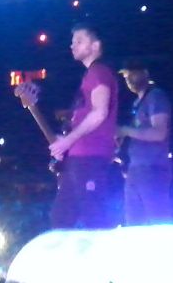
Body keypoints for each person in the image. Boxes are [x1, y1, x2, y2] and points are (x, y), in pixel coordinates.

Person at [48, 22, 119, 229]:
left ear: (95, 46)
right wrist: (67, 142)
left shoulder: (99, 72)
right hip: (80, 156)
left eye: (79, 41)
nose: (73, 45)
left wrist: (68, 141)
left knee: (93, 216)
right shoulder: (91, 75)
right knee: (61, 217)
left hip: (91, 155)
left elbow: (100, 112)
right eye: (72, 42)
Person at [116, 59, 172, 225]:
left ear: (145, 73)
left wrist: (126, 131)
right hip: (135, 168)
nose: (128, 79)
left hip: (152, 167)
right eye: (125, 77)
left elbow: (160, 133)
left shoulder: (156, 96)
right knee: (134, 222)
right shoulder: (137, 103)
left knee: (157, 220)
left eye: (132, 74)